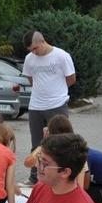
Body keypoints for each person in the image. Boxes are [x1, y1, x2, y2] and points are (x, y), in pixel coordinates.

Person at [21, 30, 76, 187]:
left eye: (35, 48)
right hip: (36, 105)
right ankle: (34, 177)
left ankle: (63, 174)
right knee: (37, 143)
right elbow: (31, 78)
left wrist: (57, 90)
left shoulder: (61, 56)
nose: (34, 52)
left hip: (57, 104)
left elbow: (71, 78)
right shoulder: (29, 59)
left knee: (61, 142)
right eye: (31, 50)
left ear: (43, 41)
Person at [23, 114, 86, 188]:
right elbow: (80, 185)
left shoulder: (47, 150)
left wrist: (44, 141)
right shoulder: (77, 152)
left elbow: (28, 163)